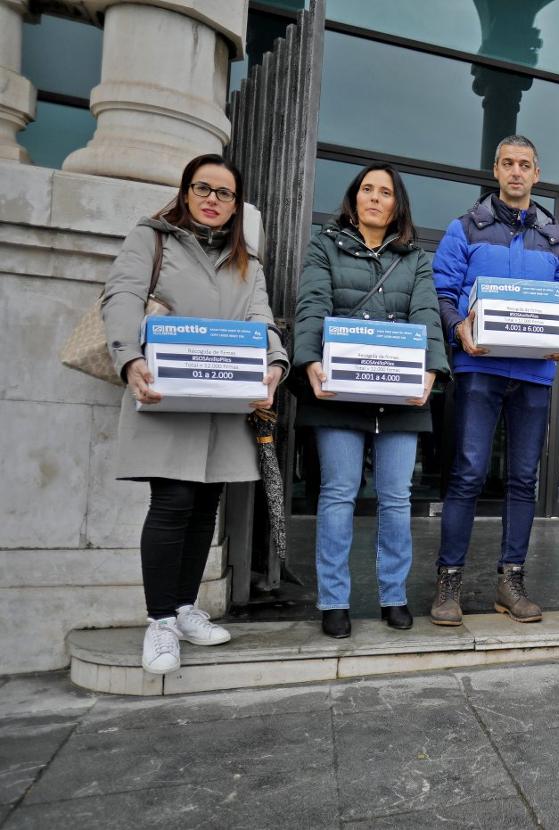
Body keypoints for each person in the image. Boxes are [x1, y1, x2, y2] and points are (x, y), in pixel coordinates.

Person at [101, 154, 287, 675]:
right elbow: (121, 295)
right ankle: (159, 620)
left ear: (235, 205)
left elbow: (261, 318)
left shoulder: (248, 262)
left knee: (206, 503)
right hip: (166, 397)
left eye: (224, 193)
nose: (212, 199)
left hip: (224, 405)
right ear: (186, 193)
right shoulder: (152, 239)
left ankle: (184, 608)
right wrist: (128, 356)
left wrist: (274, 363)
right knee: (173, 500)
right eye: (203, 189)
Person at [292, 163, 448, 639]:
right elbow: (312, 303)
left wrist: (431, 368)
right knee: (338, 495)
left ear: (397, 204)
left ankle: (393, 595)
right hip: (338, 391)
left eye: (385, 192)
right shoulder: (325, 245)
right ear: (354, 198)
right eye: (367, 190)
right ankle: (334, 600)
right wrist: (308, 360)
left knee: (397, 499)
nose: (375, 198)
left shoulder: (416, 259)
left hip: (399, 396)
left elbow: (426, 312)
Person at [430, 134, 559, 626]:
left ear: (537, 174)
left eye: (526, 165)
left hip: (534, 373)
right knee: (468, 473)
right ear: (495, 170)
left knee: (523, 479)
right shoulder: (464, 229)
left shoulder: (555, 238)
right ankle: (448, 579)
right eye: (509, 163)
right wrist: (459, 328)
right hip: (479, 367)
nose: (517, 172)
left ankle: (510, 580)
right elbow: (443, 295)